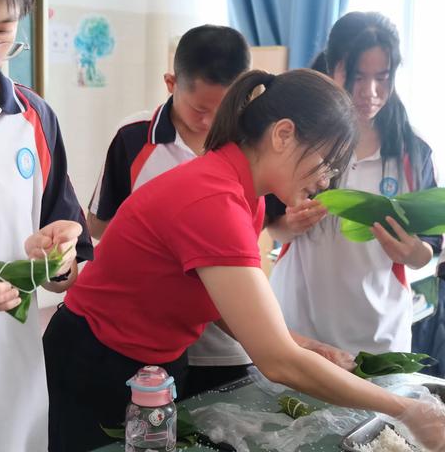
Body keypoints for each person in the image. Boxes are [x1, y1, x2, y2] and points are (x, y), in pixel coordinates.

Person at [44, 69, 445, 452]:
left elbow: (224, 302)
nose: (325, 180)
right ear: (284, 134)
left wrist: (302, 344)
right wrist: (407, 410)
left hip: (149, 360)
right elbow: (278, 363)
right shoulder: (215, 200)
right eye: (326, 163)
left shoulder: (241, 193)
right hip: (101, 357)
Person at [87, 24, 256, 395]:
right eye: (199, 109)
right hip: (146, 342)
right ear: (170, 83)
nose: (211, 123)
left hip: (224, 343)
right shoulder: (134, 137)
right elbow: (99, 226)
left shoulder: (250, 148)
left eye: (225, 109)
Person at [0, 0, 93, 451]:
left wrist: (57, 262)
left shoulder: (34, 118)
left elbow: (69, 267)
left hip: (9, 391)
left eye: (3, 31)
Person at [267, 11, 442, 356]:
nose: (371, 93)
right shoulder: (300, 138)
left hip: (380, 338)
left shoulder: (411, 150)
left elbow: (429, 250)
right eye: (358, 77)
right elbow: (272, 229)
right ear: (334, 68)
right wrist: (291, 224)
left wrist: (411, 253)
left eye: (383, 77)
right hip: (300, 331)